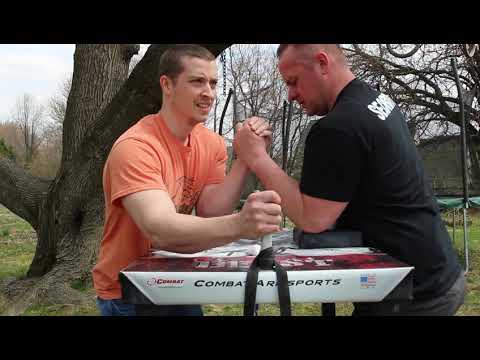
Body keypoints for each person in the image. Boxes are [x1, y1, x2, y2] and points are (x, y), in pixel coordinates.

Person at [234, 44, 466, 316]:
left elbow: (313, 218)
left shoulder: (339, 126)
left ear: (322, 63)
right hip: (434, 271)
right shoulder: (375, 100)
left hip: (414, 292)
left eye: (293, 82)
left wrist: (256, 157)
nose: (291, 94)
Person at [92, 44, 282, 316]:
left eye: (213, 83)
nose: (209, 93)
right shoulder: (136, 146)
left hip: (180, 281)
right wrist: (242, 224)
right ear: (167, 85)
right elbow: (161, 230)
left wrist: (246, 157)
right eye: (197, 82)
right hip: (129, 293)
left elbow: (210, 211)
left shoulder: (211, 144)